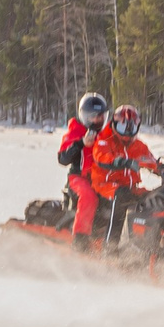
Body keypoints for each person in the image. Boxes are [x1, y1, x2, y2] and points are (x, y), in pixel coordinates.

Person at [81, 104, 156, 249]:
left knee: (154, 197)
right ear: (114, 124)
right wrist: (121, 162)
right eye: (123, 126)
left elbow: (150, 160)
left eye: (131, 127)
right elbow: (102, 157)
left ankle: (149, 245)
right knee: (122, 196)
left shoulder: (139, 145)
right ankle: (110, 246)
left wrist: (163, 168)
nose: (127, 132)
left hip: (129, 186)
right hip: (105, 185)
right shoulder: (104, 139)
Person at [56, 92, 111, 244]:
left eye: (101, 116)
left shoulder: (106, 135)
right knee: (89, 196)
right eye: (93, 116)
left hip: (101, 179)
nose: (97, 120)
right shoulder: (75, 132)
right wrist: (81, 143)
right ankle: (80, 238)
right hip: (78, 178)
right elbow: (63, 158)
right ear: (85, 116)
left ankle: (112, 238)